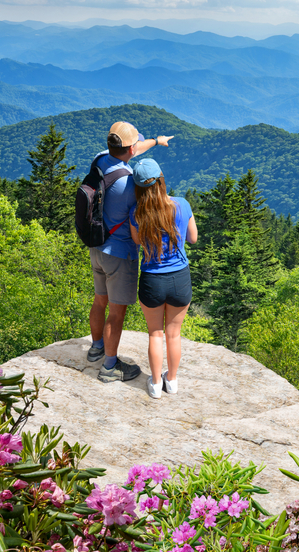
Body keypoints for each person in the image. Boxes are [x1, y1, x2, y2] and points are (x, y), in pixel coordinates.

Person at [87, 122, 172, 383]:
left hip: (97, 246)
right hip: (120, 253)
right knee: (116, 312)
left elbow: (132, 149)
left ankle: (96, 348)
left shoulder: (101, 159)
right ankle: (110, 368)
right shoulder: (130, 183)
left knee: (99, 300)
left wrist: (157, 141)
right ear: (131, 148)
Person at [128, 158, 197, 399]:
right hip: (180, 278)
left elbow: (137, 242)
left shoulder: (136, 213)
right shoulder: (182, 204)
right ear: (161, 180)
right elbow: (193, 238)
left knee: (155, 333)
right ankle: (173, 380)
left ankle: (156, 384)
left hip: (151, 280)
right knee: (174, 334)